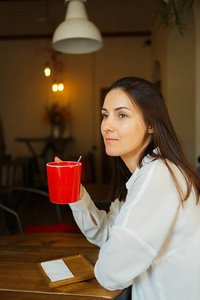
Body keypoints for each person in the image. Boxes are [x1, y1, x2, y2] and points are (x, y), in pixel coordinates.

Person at [55, 77, 200, 300]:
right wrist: (76, 192)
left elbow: (111, 272)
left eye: (121, 115)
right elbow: (106, 234)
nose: (107, 125)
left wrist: (111, 255)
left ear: (151, 124)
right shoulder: (144, 173)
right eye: (105, 115)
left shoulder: (158, 175)